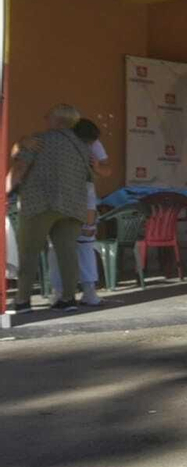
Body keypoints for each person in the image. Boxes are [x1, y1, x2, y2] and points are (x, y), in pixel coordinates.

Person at [10, 104, 94, 313]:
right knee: (67, 253)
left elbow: (20, 168)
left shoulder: (39, 140)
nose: (45, 119)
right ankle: (68, 299)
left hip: (40, 203)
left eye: (47, 116)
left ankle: (22, 300)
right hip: (73, 205)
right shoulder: (83, 146)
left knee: (28, 252)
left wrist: (6, 189)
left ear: (57, 120)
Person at [46, 119, 112, 307]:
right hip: (58, 196)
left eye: (91, 144)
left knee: (85, 241)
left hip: (84, 194)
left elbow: (106, 170)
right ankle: (59, 292)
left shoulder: (94, 145)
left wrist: (98, 167)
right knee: (56, 246)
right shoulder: (57, 144)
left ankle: (89, 291)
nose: (90, 147)